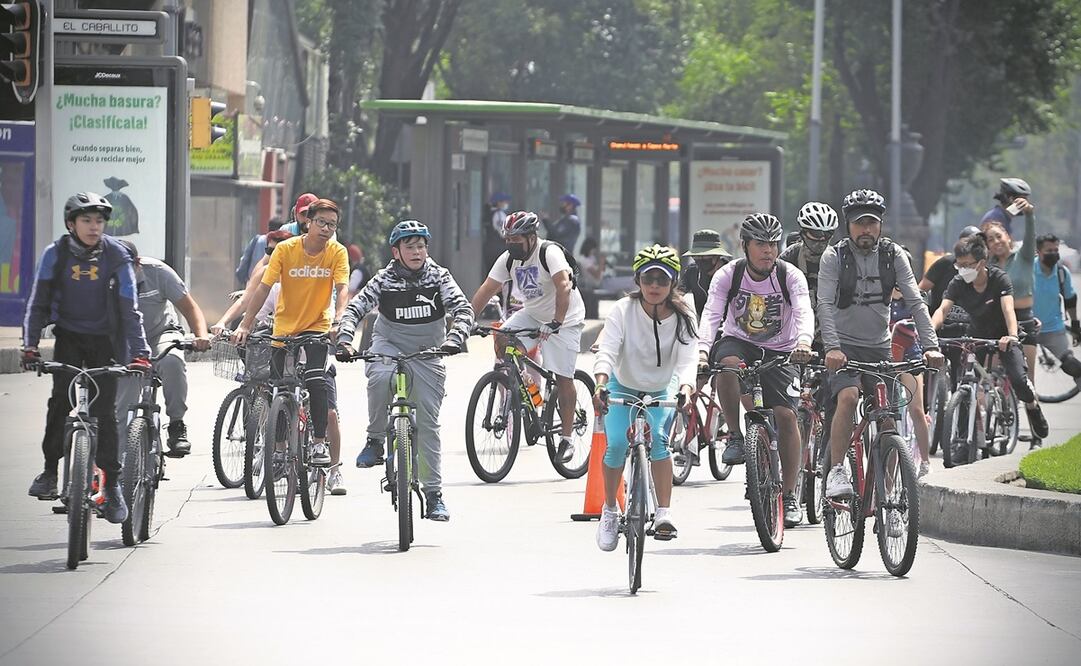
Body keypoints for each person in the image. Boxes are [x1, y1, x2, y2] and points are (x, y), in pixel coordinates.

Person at [22, 192, 151, 525]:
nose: (94, 227)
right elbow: (37, 302)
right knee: (58, 403)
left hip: (104, 341)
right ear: (71, 224)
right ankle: (50, 471)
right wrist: (30, 346)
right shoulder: (55, 253)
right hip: (68, 336)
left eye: (99, 221)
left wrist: (140, 353)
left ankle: (112, 487)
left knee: (105, 413)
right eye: (86, 220)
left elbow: (129, 307)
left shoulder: (116, 254)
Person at [338, 220, 473, 521]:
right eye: (409, 247)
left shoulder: (439, 276)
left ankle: (434, 495)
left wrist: (454, 339)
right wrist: (345, 340)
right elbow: (355, 308)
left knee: (427, 423)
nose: (416, 252)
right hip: (388, 344)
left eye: (421, 246)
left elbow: (463, 309)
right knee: (379, 378)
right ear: (396, 252)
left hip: (428, 351)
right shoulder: (383, 279)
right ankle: (375, 440)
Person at [818, 189, 942, 507]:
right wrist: (832, 348)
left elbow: (916, 302)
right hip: (843, 348)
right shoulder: (834, 256)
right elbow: (824, 305)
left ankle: (888, 493)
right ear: (848, 225)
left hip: (879, 348)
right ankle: (836, 470)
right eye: (860, 223)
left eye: (872, 223)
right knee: (848, 397)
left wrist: (931, 346)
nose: (866, 230)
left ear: (881, 225)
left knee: (888, 419)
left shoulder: (893, 254)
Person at [698, 213, 815, 528]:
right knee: (726, 364)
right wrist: (702, 351)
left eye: (773, 244)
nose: (768, 250)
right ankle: (736, 436)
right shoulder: (728, 275)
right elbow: (711, 314)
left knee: (787, 417)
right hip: (740, 342)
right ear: (744, 246)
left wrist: (804, 342)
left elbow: (803, 310)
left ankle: (789, 495)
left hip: (782, 349)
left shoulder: (790, 276)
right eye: (761, 244)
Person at [593, 245, 697, 550]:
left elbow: (688, 360)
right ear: (638, 280)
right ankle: (610, 510)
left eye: (662, 280)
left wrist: (686, 389)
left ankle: (663, 513)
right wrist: (600, 385)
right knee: (616, 445)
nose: (654, 286)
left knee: (660, 442)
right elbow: (607, 350)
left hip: (662, 388)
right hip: (622, 384)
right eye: (648, 279)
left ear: (673, 282)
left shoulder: (684, 315)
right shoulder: (622, 310)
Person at [232, 198, 349, 471]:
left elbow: (342, 288)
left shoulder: (337, 252)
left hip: (318, 326)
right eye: (321, 222)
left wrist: (339, 319)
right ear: (308, 222)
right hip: (284, 328)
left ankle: (318, 443)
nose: (326, 229)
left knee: (316, 380)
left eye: (332, 225)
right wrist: (245, 324)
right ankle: (279, 449)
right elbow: (263, 288)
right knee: (279, 388)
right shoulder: (286, 249)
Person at [470, 211, 587, 462]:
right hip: (533, 313)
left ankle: (567, 439)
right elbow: (487, 288)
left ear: (532, 237)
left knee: (563, 377)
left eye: (516, 240)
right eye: (508, 239)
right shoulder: (508, 260)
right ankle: (523, 383)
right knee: (502, 337)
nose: (511, 244)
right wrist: (466, 321)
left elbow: (563, 286)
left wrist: (556, 322)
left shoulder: (549, 253)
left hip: (565, 318)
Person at [931, 232, 1046, 448]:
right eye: (959, 265)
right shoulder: (958, 282)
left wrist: (1012, 336)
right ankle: (962, 442)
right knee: (966, 383)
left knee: (1019, 380)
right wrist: (929, 333)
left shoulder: (999, 279)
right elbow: (942, 310)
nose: (962, 269)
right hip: (977, 334)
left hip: (1004, 335)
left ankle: (1032, 407)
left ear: (982, 263)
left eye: (967, 265)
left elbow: (1008, 310)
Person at [114, 240, 212, 457]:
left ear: (137, 264)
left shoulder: (159, 272)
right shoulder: (105, 279)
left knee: (172, 361)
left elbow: (190, 308)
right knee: (122, 406)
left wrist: (201, 336)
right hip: (126, 342)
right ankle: (120, 465)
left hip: (161, 333)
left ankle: (176, 424)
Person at [982, 193, 1049, 443]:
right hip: (997, 322)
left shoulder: (1024, 256)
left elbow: (1031, 234)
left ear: (1008, 237)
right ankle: (994, 422)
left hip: (1024, 320)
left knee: (1026, 380)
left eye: (999, 236)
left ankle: (1035, 432)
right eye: (990, 240)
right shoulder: (988, 267)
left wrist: (1029, 213)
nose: (996, 242)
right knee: (990, 374)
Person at [888, 252, 932, 477]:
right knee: (887, 416)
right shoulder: (877, 295)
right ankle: (887, 478)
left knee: (916, 409)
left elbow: (923, 324)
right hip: (883, 357)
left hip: (909, 356)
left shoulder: (916, 296)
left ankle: (925, 461)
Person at [779, 201, 839, 352]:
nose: (821, 240)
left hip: (830, 337)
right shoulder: (789, 258)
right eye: (816, 234)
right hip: (793, 336)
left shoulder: (838, 259)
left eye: (827, 234)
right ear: (803, 233)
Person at [1033, 233, 1081, 397]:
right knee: (1016, 371)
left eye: (1056, 250)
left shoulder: (1062, 272)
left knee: (1073, 366)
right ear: (1038, 252)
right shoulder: (1027, 270)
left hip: (1053, 328)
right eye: (1049, 251)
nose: (1053, 254)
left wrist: (1075, 325)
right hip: (1026, 328)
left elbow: (1070, 299)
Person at [679, 229, 732, 319]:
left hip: (730, 325)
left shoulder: (732, 273)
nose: (700, 259)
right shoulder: (692, 272)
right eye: (696, 256)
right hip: (704, 324)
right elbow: (677, 294)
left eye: (704, 255)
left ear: (717, 256)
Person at [234, 217, 285, 286]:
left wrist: (244, 280)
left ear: (268, 228)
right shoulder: (284, 244)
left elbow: (245, 261)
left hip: (254, 283)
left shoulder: (257, 240)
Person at [577, 237, 605, 318]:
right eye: (593, 249)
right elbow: (597, 275)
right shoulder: (584, 260)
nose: (594, 251)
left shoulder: (591, 258)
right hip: (595, 283)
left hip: (601, 280)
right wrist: (601, 263)